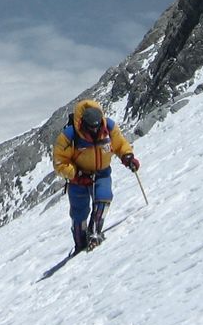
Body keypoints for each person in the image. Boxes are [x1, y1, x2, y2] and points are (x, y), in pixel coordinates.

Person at [52, 98, 140, 253]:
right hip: (78, 179)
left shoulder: (109, 127)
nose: (95, 129)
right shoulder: (69, 136)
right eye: (91, 127)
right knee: (79, 212)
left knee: (104, 197)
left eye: (97, 126)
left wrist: (128, 157)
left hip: (102, 172)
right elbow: (60, 162)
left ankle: (95, 232)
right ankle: (80, 242)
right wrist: (76, 175)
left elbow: (120, 145)